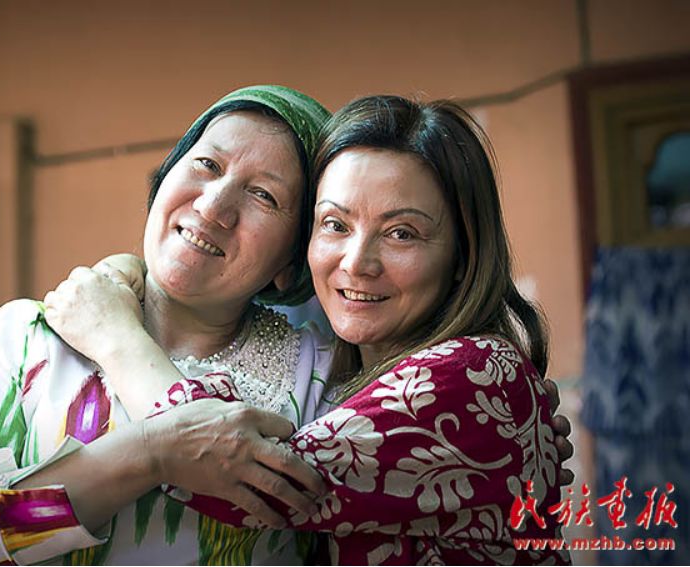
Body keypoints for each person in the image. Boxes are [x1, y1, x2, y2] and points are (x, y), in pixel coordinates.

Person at [48, 95, 572, 565]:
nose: (357, 262)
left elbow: (240, 474)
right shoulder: (31, 340)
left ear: (463, 254)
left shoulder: (467, 375)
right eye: (335, 224)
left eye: (402, 233)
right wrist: (126, 275)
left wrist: (116, 337)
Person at [0, 85, 337, 565]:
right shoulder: (30, 337)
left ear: (292, 261)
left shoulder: (319, 373)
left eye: (264, 195)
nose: (213, 206)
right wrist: (150, 453)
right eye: (207, 164)